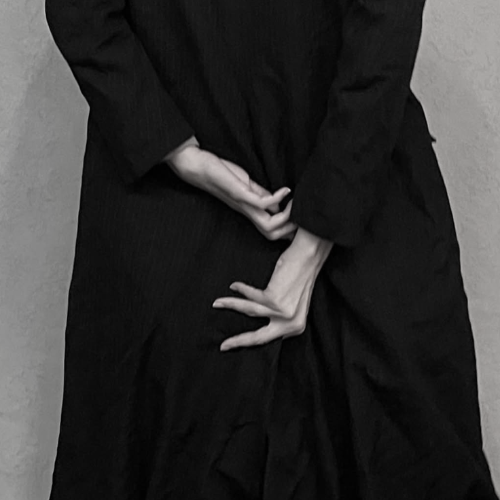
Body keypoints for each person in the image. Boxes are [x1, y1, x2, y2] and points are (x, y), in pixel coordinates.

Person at [45, 0, 499, 498]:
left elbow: (80, 13)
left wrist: (178, 150)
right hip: (323, 191)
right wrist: (319, 228)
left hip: (190, 212)